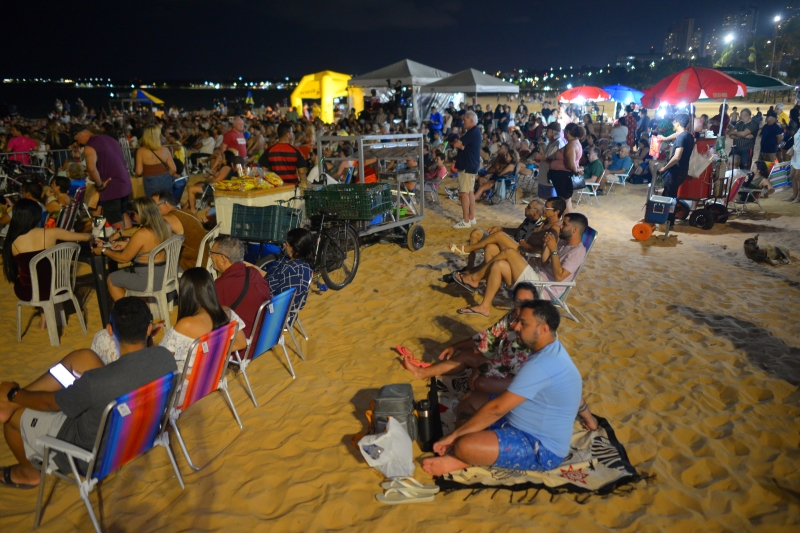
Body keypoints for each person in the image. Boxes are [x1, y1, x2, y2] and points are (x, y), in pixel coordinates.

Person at [0, 297, 176, 488]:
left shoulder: (95, 383)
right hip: (136, 435)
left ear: (110, 330)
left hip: (91, 455)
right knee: (84, 357)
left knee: (12, 420)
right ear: (149, 329)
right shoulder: (166, 359)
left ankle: (28, 473)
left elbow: (50, 404)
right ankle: (12, 400)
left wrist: (16, 395)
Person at [421, 300, 583, 476]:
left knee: (464, 445)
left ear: (543, 329)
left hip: (540, 446)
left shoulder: (542, 364)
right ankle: (464, 442)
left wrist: (453, 437)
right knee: (472, 398)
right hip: (518, 417)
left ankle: (459, 454)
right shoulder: (549, 350)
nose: (516, 326)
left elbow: (497, 409)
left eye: (523, 323)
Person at [452, 213, 588, 317]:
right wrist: (548, 246)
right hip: (537, 277)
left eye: (564, 224)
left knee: (509, 252)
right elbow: (545, 263)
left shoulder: (578, 252)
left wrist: (553, 250)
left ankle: (474, 278)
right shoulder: (564, 243)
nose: (560, 226)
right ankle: (484, 307)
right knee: (499, 264)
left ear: (575, 229)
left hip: (544, 290)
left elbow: (559, 276)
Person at [2, 200, 94, 329]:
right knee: (44, 276)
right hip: (57, 287)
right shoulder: (52, 233)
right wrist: (92, 238)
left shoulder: (12, 242)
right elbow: (84, 236)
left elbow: (16, 270)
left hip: (29, 291)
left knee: (33, 278)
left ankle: (43, 317)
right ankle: (45, 315)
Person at [95, 197, 172, 301]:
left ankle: (129, 309)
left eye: (134, 214)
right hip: (166, 275)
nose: (134, 217)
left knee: (112, 279)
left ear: (141, 214)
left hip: (148, 280)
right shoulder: (165, 226)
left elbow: (123, 258)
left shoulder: (141, 234)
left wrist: (104, 250)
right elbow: (149, 244)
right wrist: (127, 244)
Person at [70, 124, 132, 229]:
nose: (78, 143)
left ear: (80, 134)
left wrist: (99, 185)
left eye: (76, 140)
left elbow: (91, 168)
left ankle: (120, 239)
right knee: (123, 213)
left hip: (111, 187)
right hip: (124, 183)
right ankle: (128, 237)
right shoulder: (110, 139)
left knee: (115, 221)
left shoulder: (90, 146)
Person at [211, 235, 272, 338]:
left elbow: (213, 321)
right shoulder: (254, 273)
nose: (210, 256)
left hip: (241, 342)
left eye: (212, 253)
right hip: (263, 337)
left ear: (222, 259)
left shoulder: (221, 285)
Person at [260, 228, 315, 317]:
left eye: (287, 244)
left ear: (296, 248)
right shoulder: (287, 259)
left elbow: (282, 304)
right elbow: (272, 275)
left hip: (271, 313)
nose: (284, 245)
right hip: (263, 296)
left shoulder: (298, 271)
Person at [152, 191, 206, 271]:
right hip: (203, 260)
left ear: (165, 205)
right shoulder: (185, 212)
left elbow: (148, 236)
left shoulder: (168, 218)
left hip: (190, 266)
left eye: (154, 206)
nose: (152, 210)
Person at [656, 113, 694, 228]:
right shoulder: (688, 135)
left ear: (677, 123)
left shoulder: (681, 137)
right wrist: (664, 138)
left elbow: (677, 156)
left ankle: (668, 222)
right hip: (682, 171)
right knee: (670, 196)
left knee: (669, 198)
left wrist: (665, 167)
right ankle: (668, 221)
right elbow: (678, 134)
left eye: (674, 122)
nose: (673, 123)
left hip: (675, 172)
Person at [452, 111, 481, 229]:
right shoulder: (475, 132)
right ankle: (471, 217)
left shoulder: (472, 132)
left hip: (466, 166)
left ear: (471, 120)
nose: (462, 122)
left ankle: (466, 220)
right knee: (469, 192)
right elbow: (460, 145)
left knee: (464, 193)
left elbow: (457, 144)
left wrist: (458, 143)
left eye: (465, 120)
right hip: (471, 165)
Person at [547, 124, 584, 214]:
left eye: (564, 131)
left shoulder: (571, 145)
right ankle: (567, 218)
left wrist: (577, 170)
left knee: (564, 201)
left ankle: (566, 219)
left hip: (562, 175)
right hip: (563, 174)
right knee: (566, 200)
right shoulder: (575, 143)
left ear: (567, 132)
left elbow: (571, 164)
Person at [259, 122, 308, 188]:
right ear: (288, 135)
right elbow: (302, 172)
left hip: (276, 188)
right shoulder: (296, 151)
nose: (293, 134)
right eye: (292, 132)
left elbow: (264, 171)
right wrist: (304, 186)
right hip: (292, 188)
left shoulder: (268, 151)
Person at [135, 124, 177, 198]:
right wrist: (165, 174)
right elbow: (173, 169)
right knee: (167, 202)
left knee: (153, 203)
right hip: (166, 180)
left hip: (150, 182)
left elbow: (139, 172)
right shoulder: (165, 149)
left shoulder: (140, 151)